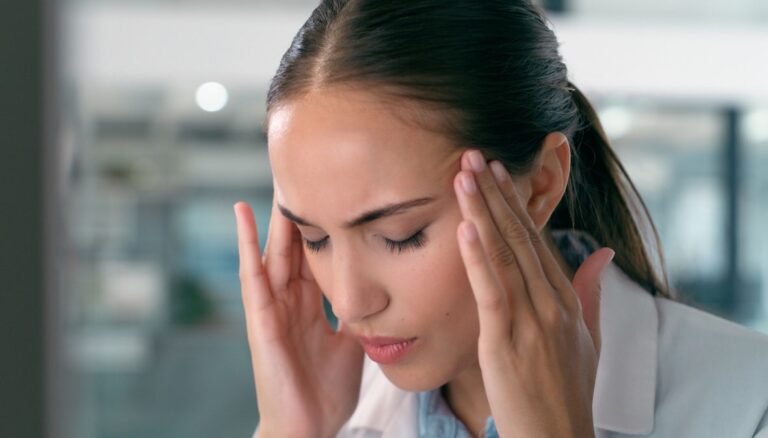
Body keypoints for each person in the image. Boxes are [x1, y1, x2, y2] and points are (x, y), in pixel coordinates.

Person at [233, 1, 768, 436]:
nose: (347, 303)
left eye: (401, 236)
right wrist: (290, 429)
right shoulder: (339, 419)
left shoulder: (750, 404)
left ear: (539, 186)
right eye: (315, 238)